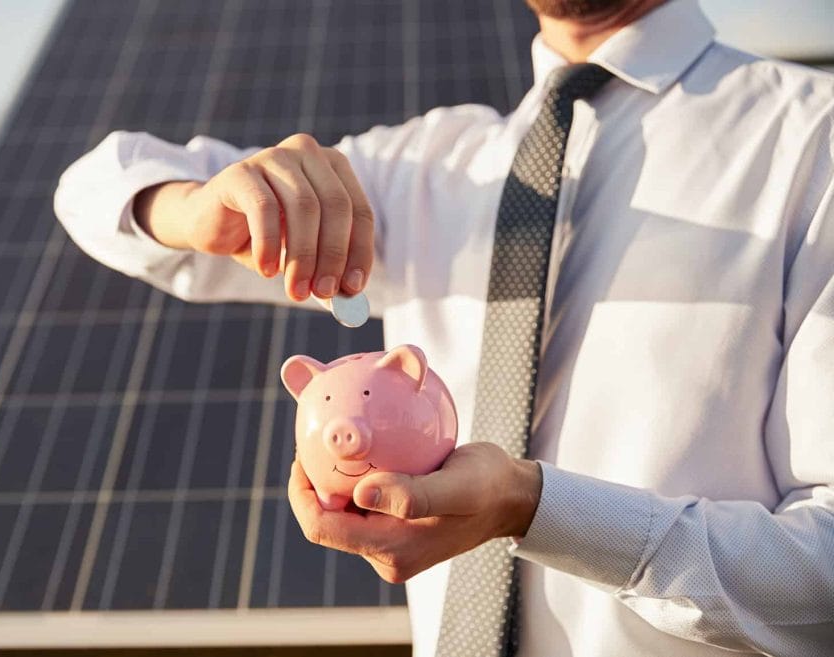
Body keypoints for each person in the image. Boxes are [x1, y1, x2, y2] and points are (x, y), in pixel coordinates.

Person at [53, 0, 834, 654]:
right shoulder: (424, 170)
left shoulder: (814, 143)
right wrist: (189, 207)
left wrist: (539, 509)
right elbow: (93, 186)